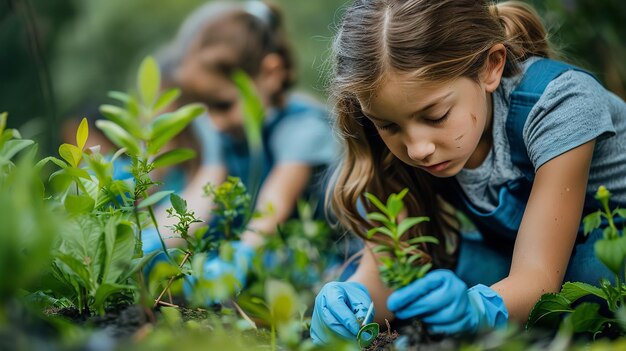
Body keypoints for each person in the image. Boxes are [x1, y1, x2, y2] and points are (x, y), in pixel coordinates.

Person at [309, 0, 626, 344]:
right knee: (453, 276)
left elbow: (539, 275)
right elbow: (388, 270)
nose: (417, 148)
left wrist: (480, 308)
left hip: (602, 242)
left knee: (592, 272)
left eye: (436, 116)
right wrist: (354, 300)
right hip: (533, 255)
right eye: (387, 125)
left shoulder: (559, 104)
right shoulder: (412, 141)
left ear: (491, 67)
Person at [142, 0, 340, 294]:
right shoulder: (224, 129)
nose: (215, 121)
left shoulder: (302, 127)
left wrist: (239, 257)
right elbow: (203, 190)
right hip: (262, 257)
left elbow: (274, 205)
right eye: (206, 106)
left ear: (271, 73)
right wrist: (145, 242)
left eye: (223, 104)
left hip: (310, 261)